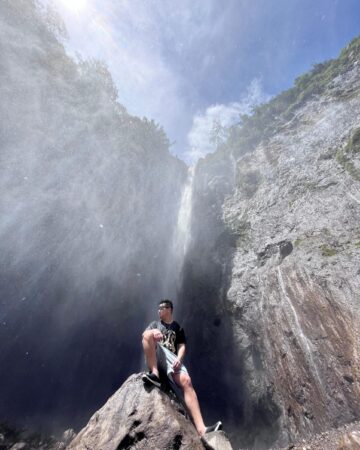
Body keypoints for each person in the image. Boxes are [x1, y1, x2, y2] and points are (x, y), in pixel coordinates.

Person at [142, 299, 222, 437]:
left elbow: (182, 346)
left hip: (172, 361)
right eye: (158, 308)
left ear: (170, 309)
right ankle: (154, 374)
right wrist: (154, 331)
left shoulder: (177, 328)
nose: (158, 310)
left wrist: (179, 359)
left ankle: (202, 429)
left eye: (162, 308)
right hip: (158, 355)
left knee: (187, 381)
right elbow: (144, 336)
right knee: (148, 334)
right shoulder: (155, 324)